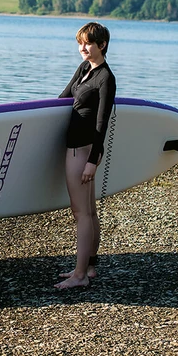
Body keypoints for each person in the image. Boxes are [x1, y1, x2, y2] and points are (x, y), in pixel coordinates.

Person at [55, 22, 116, 289]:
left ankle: (79, 276)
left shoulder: (105, 78)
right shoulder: (84, 69)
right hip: (78, 149)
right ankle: (89, 267)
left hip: (82, 151)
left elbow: (102, 123)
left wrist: (93, 160)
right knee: (89, 212)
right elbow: (63, 97)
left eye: (88, 43)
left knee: (82, 214)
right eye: (80, 43)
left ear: (101, 45)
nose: (83, 48)